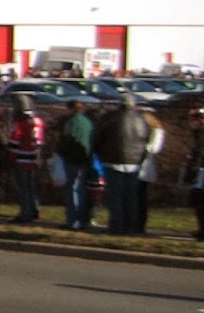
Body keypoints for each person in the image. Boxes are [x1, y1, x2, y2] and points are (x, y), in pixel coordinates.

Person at [92, 94, 149, 236]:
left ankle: (116, 226)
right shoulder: (141, 119)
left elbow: (98, 137)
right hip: (134, 162)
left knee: (115, 196)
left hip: (113, 161)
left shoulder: (111, 118)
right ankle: (131, 226)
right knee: (131, 196)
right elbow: (146, 139)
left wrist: (99, 152)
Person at [5, 96, 44, 223]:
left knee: (23, 188)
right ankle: (35, 209)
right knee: (31, 186)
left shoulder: (20, 124)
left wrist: (11, 155)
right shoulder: (38, 121)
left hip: (22, 158)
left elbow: (14, 142)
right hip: (34, 157)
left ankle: (25, 213)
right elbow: (41, 141)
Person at [57, 99, 94, 230]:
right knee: (81, 190)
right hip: (85, 159)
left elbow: (66, 141)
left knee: (72, 190)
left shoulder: (71, 122)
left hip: (72, 159)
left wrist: (61, 153)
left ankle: (73, 220)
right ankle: (83, 219)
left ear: (71, 109)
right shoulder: (87, 122)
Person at [181, 106, 204, 241]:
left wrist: (191, 172)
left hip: (201, 172)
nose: (190, 123)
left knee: (200, 202)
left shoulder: (201, 134)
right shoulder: (199, 133)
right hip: (200, 171)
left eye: (193, 119)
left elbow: (199, 154)